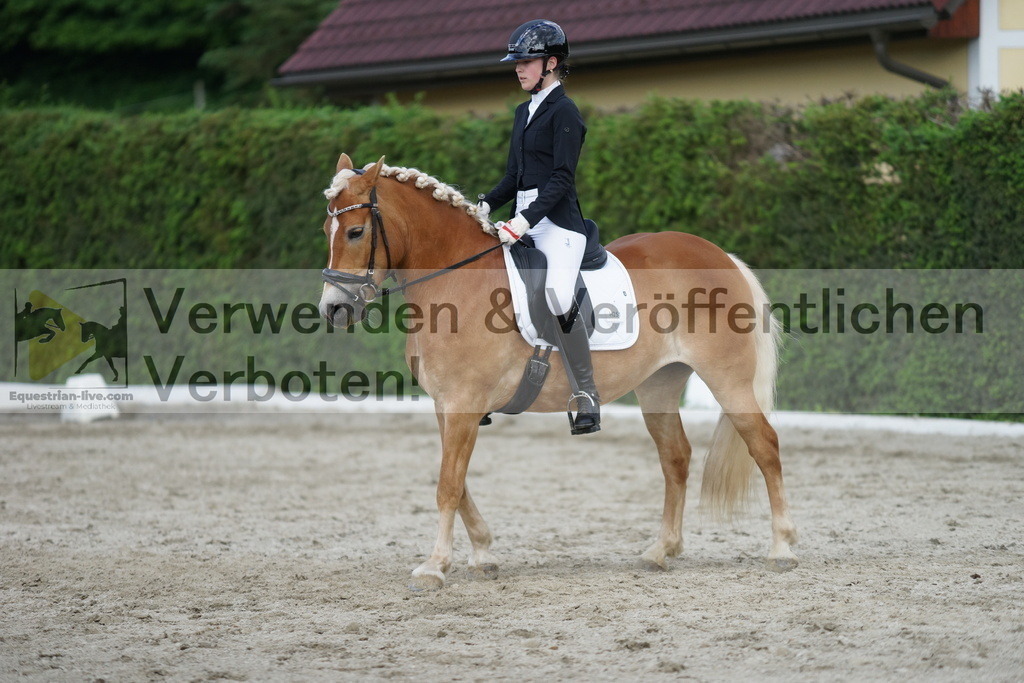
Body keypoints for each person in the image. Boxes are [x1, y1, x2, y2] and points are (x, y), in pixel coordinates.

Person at [479, 19, 600, 435]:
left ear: (550, 63)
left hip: (559, 226)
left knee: (557, 293)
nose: (518, 68)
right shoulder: (522, 112)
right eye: (516, 62)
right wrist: (483, 203)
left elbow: (561, 178)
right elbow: (514, 176)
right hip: (522, 221)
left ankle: (587, 394)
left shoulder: (566, 112)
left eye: (526, 61)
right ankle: (484, 382)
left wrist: (524, 220)